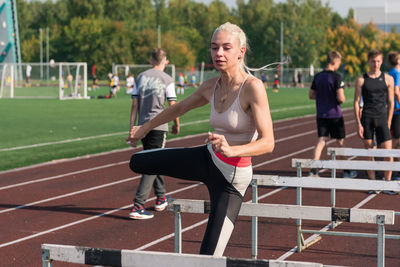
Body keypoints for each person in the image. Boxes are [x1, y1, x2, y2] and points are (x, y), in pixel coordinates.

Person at [127, 22, 274, 256]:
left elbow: (268, 143)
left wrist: (232, 150)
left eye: (226, 48)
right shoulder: (210, 86)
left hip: (231, 179)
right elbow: (178, 108)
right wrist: (144, 128)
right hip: (207, 159)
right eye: (214, 48)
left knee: (208, 258)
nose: (219, 54)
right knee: (137, 161)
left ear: (241, 51)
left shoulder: (253, 88)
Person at [128, 48, 180, 219]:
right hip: (159, 125)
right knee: (152, 164)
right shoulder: (168, 79)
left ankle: (161, 197)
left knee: (153, 160)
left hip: (143, 126)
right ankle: (138, 205)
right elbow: (173, 105)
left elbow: (134, 105)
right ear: (166, 61)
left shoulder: (140, 77)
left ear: (150, 61)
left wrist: (133, 129)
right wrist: (176, 124)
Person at [308, 51, 356, 178]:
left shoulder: (318, 76)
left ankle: (313, 170)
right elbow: (341, 98)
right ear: (335, 62)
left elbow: (311, 95)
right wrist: (336, 97)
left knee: (321, 141)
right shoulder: (337, 76)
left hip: (321, 114)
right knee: (340, 141)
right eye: (339, 62)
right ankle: (346, 171)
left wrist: (323, 96)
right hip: (335, 114)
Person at [354, 49, 394, 187]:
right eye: (373, 61)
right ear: (368, 61)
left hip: (382, 117)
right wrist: (359, 124)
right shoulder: (361, 79)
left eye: (378, 61)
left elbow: (391, 102)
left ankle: (387, 183)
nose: (375, 64)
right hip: (367, 118)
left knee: (388, 152)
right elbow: (356, 102)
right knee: (369, 152)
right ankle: (372, 184)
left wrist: (389, 121)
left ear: (381, 61)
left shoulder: (388, 79)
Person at [387, 51, 400, 181]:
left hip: (392, 109)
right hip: (397, 110)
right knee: (396, 140)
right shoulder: (396, 73)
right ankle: (395, 167)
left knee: (395, 139)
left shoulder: (390, 72)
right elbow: (396, 91)